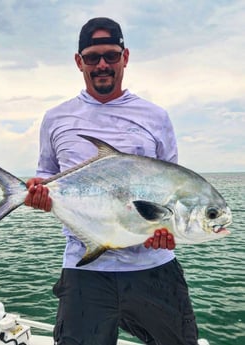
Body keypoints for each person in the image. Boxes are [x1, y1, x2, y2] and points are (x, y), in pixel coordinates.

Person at [25, 17, 198, 345]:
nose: (102, 65)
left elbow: (171, 187)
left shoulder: (156, 117)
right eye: (92, 57)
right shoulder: (56, 118)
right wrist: (38, 193)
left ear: (126, 57)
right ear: (79, 62)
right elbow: (47, 177)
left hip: (153, 267)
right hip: (84, 270)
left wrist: (169, 231)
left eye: (111, 55)